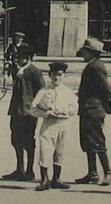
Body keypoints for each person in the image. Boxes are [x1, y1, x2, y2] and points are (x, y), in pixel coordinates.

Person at [30, 61, 76, 191]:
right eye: (54, 75)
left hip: (63, 123)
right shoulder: (44, 91)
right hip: (49, 125)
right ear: (50, 75)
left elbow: (74, 108)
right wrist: (45, 113)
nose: (57, 78)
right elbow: (33, 109)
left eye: (60, 75)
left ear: (64, 76)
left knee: (60, 151)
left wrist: (65, 111)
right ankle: (44, 179)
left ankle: (56, 178)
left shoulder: (68, 92)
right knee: (45, 150)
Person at [1, 43, 45, 181]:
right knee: (16, 139)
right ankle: (19, 169)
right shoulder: (17, 70)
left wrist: (36, 106)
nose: (17, 60)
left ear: (27, 58)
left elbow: (42, 90)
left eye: (19, 57)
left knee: (28, 141)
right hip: (16, 110)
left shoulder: (35, 71)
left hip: (28, 112)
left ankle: (29, 170)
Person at [75, 37, 111, 185]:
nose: (82, 54)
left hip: (93, 110)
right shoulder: (93, 65)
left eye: (85, 51)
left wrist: (106, 108)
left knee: (97, 141)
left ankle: (108, 173)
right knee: (88, 141)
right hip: (87, 109)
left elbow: (105, 89)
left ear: (91, 52)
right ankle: (92, 173)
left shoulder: (96, 67)